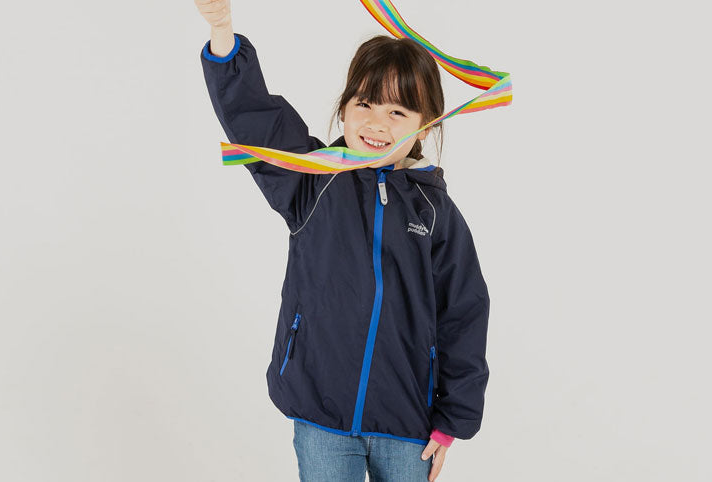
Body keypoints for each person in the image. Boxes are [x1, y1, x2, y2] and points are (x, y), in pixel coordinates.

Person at [195, 1, 490, 480]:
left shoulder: (436, 213)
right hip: (321, 413)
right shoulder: (314, 180)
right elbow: (257, 119)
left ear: (427, 122)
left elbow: (463, 314)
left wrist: (451, 421)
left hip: (407, 425)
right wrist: (222, 30)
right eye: (364, 104)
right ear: (345, 107)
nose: (376, 123)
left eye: (397, 111)